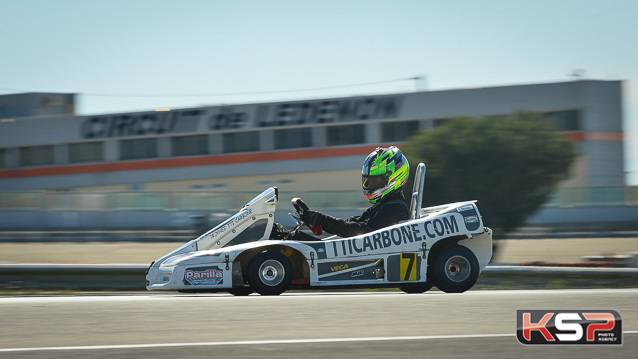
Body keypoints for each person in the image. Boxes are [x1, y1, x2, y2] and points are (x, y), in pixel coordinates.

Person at [272, 146, 410, 241]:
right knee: (287, 236)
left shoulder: (394, 208)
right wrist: (319, 220)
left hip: (364, 257)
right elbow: (354, 223)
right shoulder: (385, 204)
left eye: (374, 180)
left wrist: (322, 219)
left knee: (294, 240)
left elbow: (362, 232)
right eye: (367, 180)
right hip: (359, 252)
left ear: (393, 178)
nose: (369, 185)